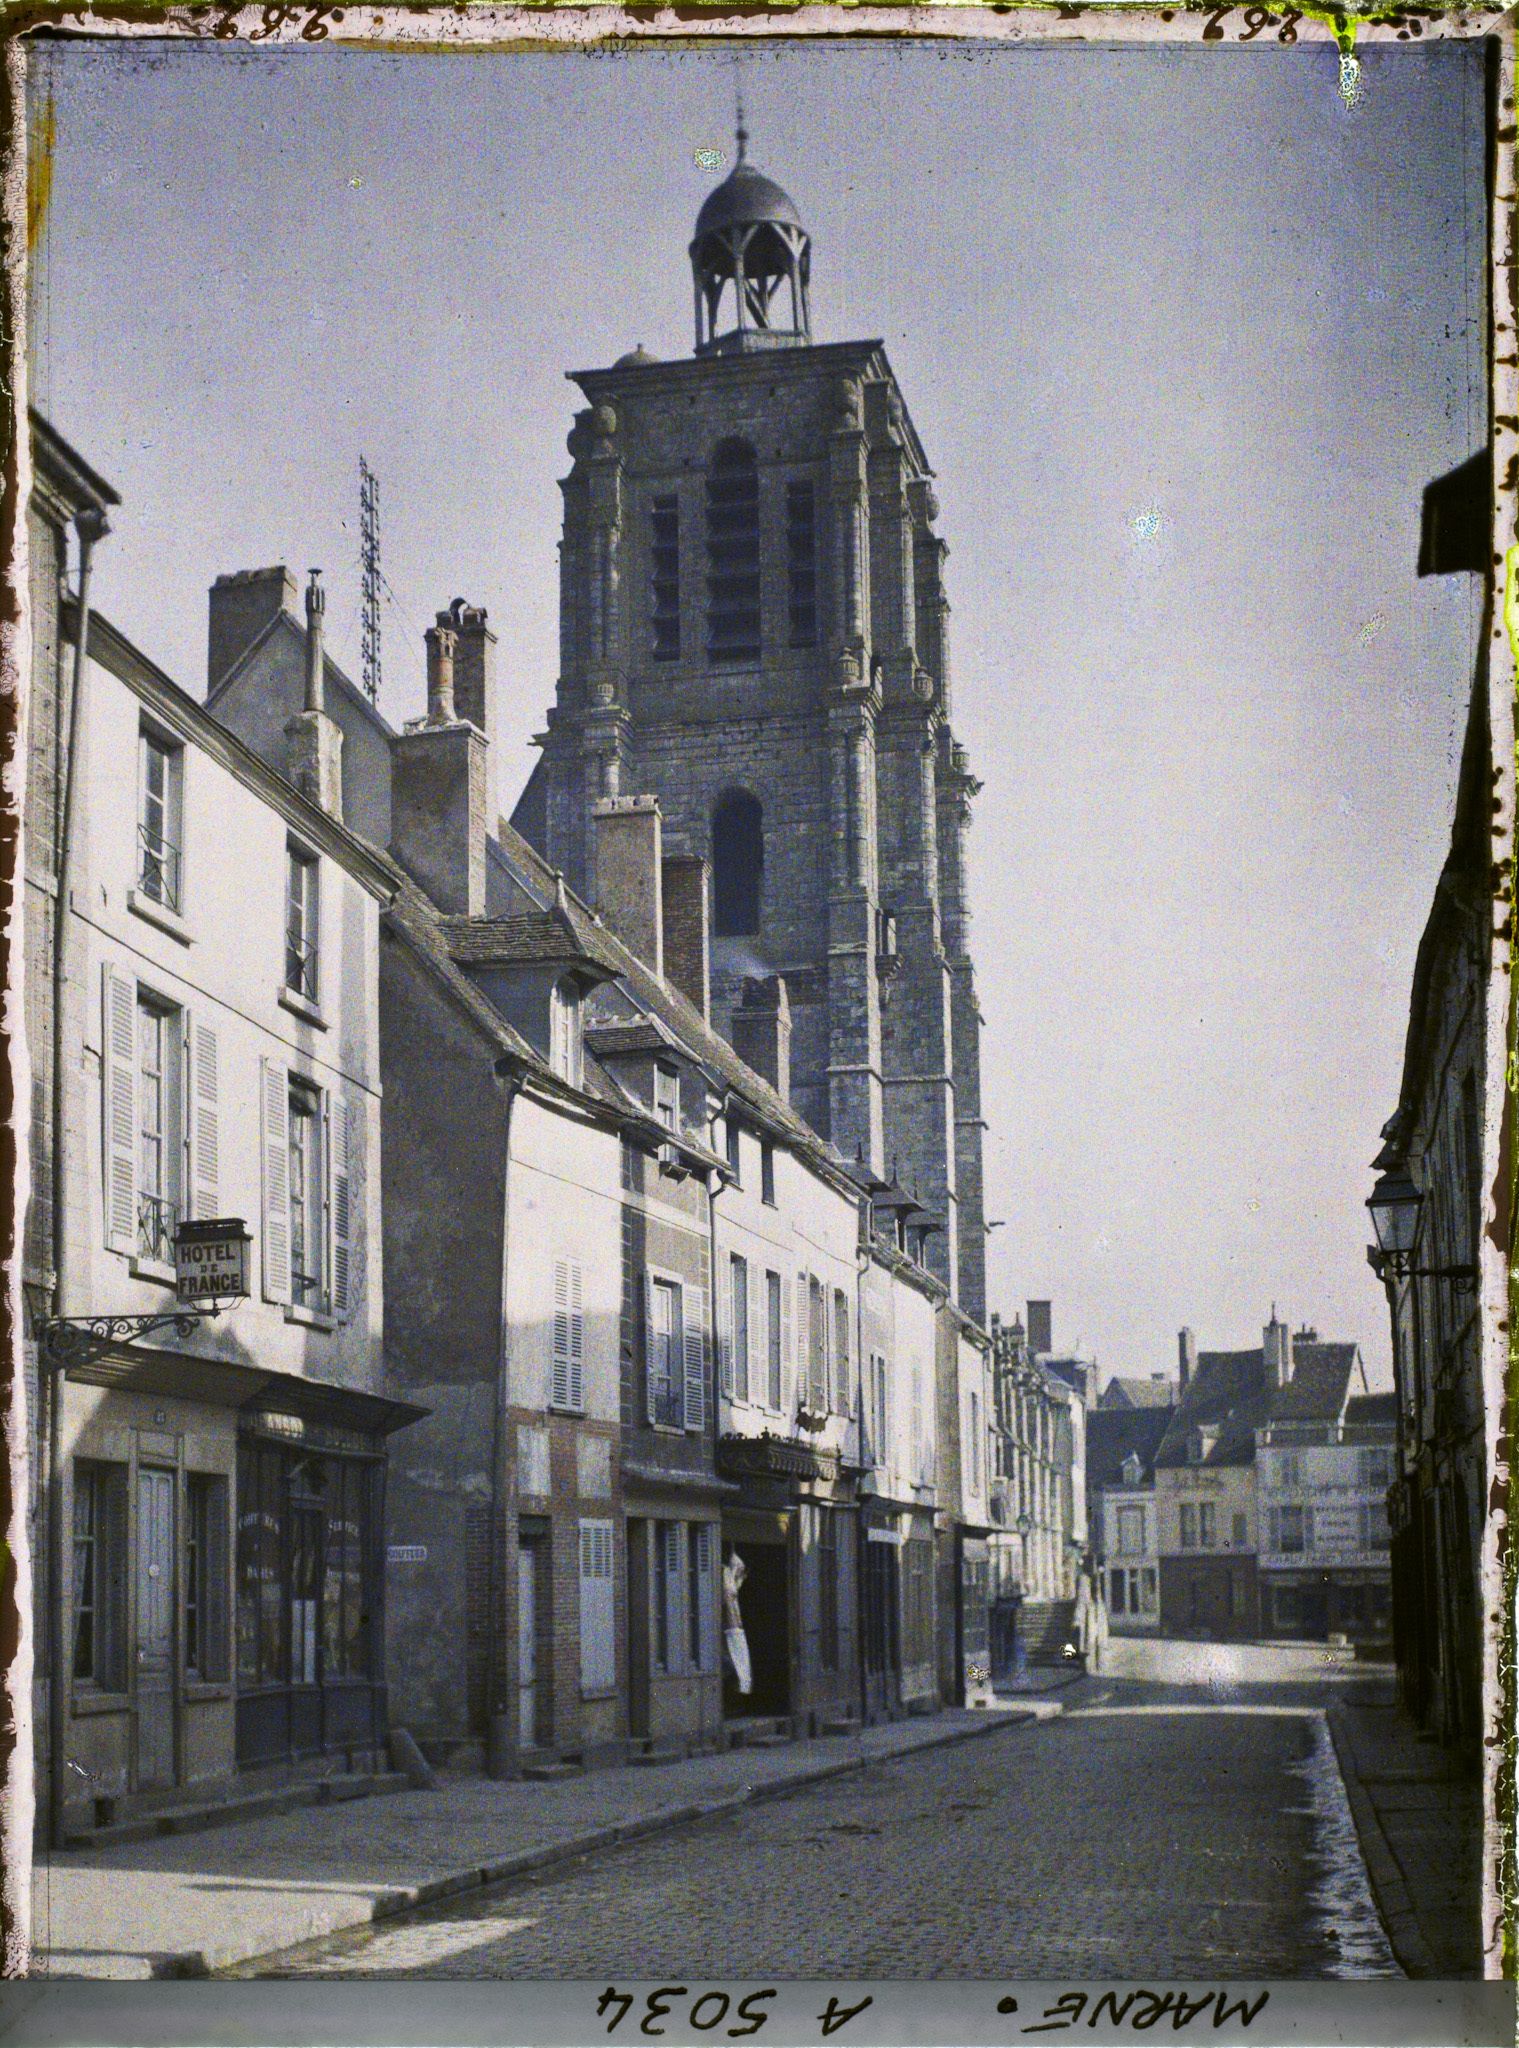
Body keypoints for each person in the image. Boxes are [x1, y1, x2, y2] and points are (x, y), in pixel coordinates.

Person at [723, 1548, 752, 1695]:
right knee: (736, 1660)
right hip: (732, 1627)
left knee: (739, 1661)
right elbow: (729, 1600)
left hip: (734, 1626)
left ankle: (741, 1686)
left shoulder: (732, 1579)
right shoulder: (727, 1578)